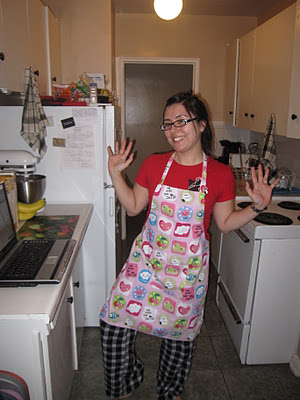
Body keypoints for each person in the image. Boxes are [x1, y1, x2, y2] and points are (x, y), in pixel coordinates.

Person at [99, 92, 279, 400]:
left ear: (202, 125)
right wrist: (116, 175)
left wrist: (256, 208)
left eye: (181, 121)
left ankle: (170, 391)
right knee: (112, 326)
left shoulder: (220, 174)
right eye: (167, 123)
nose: (173, 130)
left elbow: (223, 223)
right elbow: (132, 207)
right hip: (146, 265)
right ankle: (124, 382)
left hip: (188, 273)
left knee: (179, 338)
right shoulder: (155, 165)